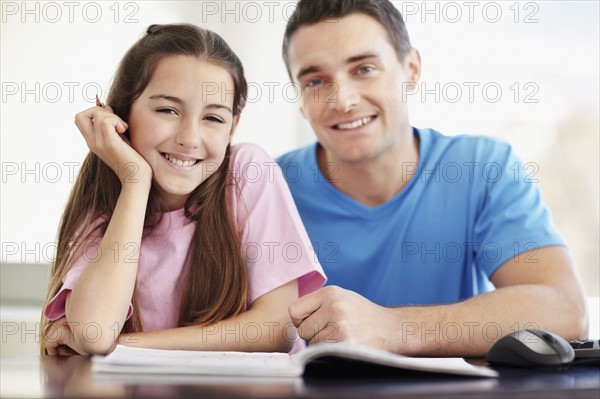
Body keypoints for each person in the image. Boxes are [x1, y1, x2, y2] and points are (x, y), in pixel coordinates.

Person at [278, 0, 589, 356]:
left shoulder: (482, 167)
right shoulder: (267, 188)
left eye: (364, 68)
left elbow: (564, 310)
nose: (343, 100)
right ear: (300, 101)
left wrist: (393, 328)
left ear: (410, 68)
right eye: (315, 81)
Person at [40, 23, 325, 356]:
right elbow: (93, 333)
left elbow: (276, 330)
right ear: (122, 113)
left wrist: (122, 345)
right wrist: (134, 180)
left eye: (213, 118)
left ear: (232, 127)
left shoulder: (248, 171)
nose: (189, 138)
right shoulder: (106, 199)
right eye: (167, 110)